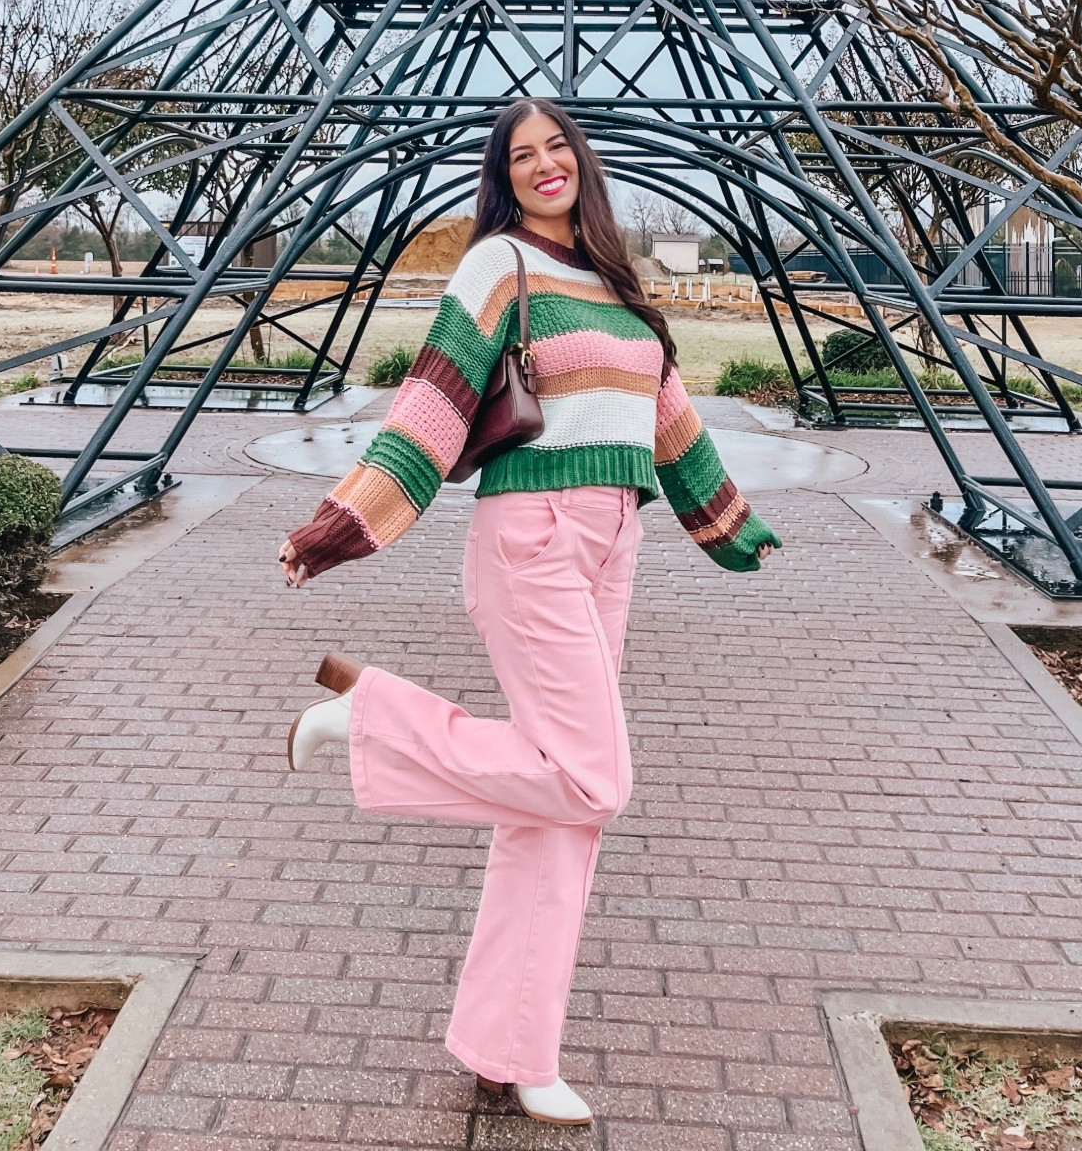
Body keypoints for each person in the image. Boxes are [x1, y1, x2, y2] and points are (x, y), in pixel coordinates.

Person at [278, 100, 780, 1128]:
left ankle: (513, 1045)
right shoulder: (499, 264)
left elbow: (668, 421)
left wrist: (731, 523)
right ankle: (366, 716)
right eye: (523, 154)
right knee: (596, 773)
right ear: (505, 177)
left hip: (611, 542)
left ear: (581, 163)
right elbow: (435, 397)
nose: (545, 162)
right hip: (532, 536)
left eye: (558, 146)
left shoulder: (616, 284)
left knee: (560, 810)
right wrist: (342, 522)